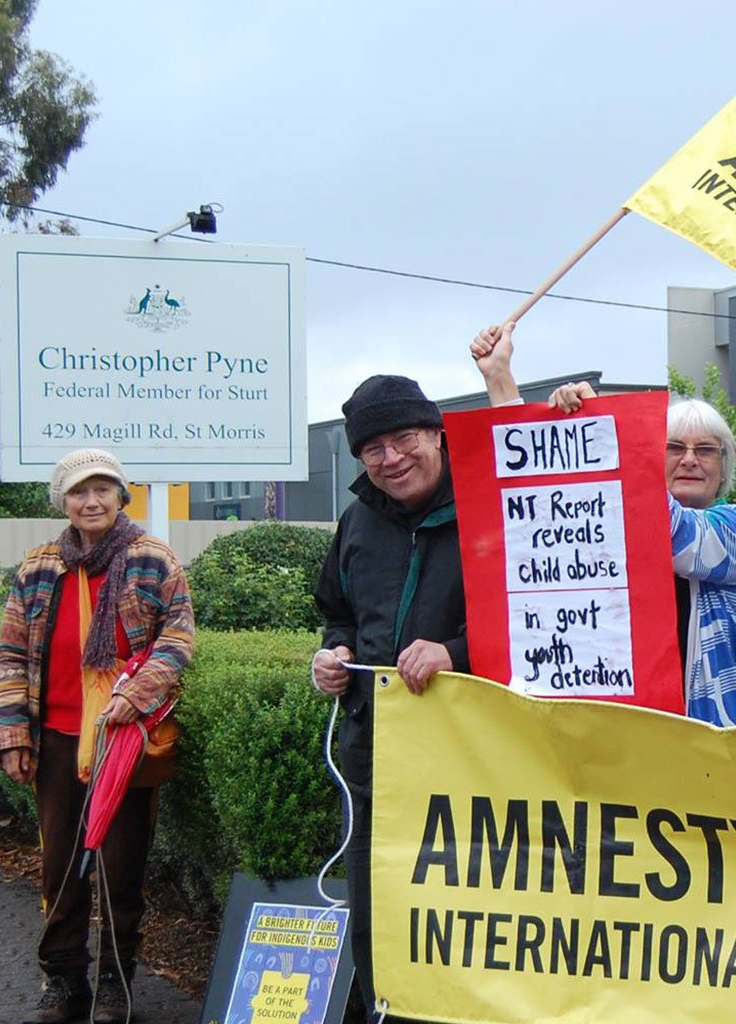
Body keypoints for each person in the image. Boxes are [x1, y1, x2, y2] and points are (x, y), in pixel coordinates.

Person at [471, 323, 736, 727]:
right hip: (619, 734)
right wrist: (500, 378)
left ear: (724, 467)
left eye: (706, 451)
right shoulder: (610, 519)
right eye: (674, 447)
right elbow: (538, 512)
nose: (690, 459)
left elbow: (670, 533)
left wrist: (603, 423)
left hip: (704, 735)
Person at [0, 448, 196, 1024]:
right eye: (80, 492)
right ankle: (62, 982)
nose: (92, 500)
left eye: (103, 489)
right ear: (64, 501)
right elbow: (10, 652)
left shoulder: (153, 560)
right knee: (59, 866)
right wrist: (12, 731)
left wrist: (135, 695)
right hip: (57, 737)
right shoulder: (38, 567)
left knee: (121, 867)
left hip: (122, 738)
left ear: (121, 495)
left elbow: (177, 640)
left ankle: (114, 985)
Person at [310, 375, 469, 1024]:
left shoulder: (490, 505)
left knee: (461, 907)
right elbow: (335, 611)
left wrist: (455, 652)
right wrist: (334, 653)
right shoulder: (357, 521)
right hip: (372, 752)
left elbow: (538, 615)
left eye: (405, 437)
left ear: (436, 433)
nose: (391, 458)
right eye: (373, 448)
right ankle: (382, 1010)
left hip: (471, 759)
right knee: (376, 903)